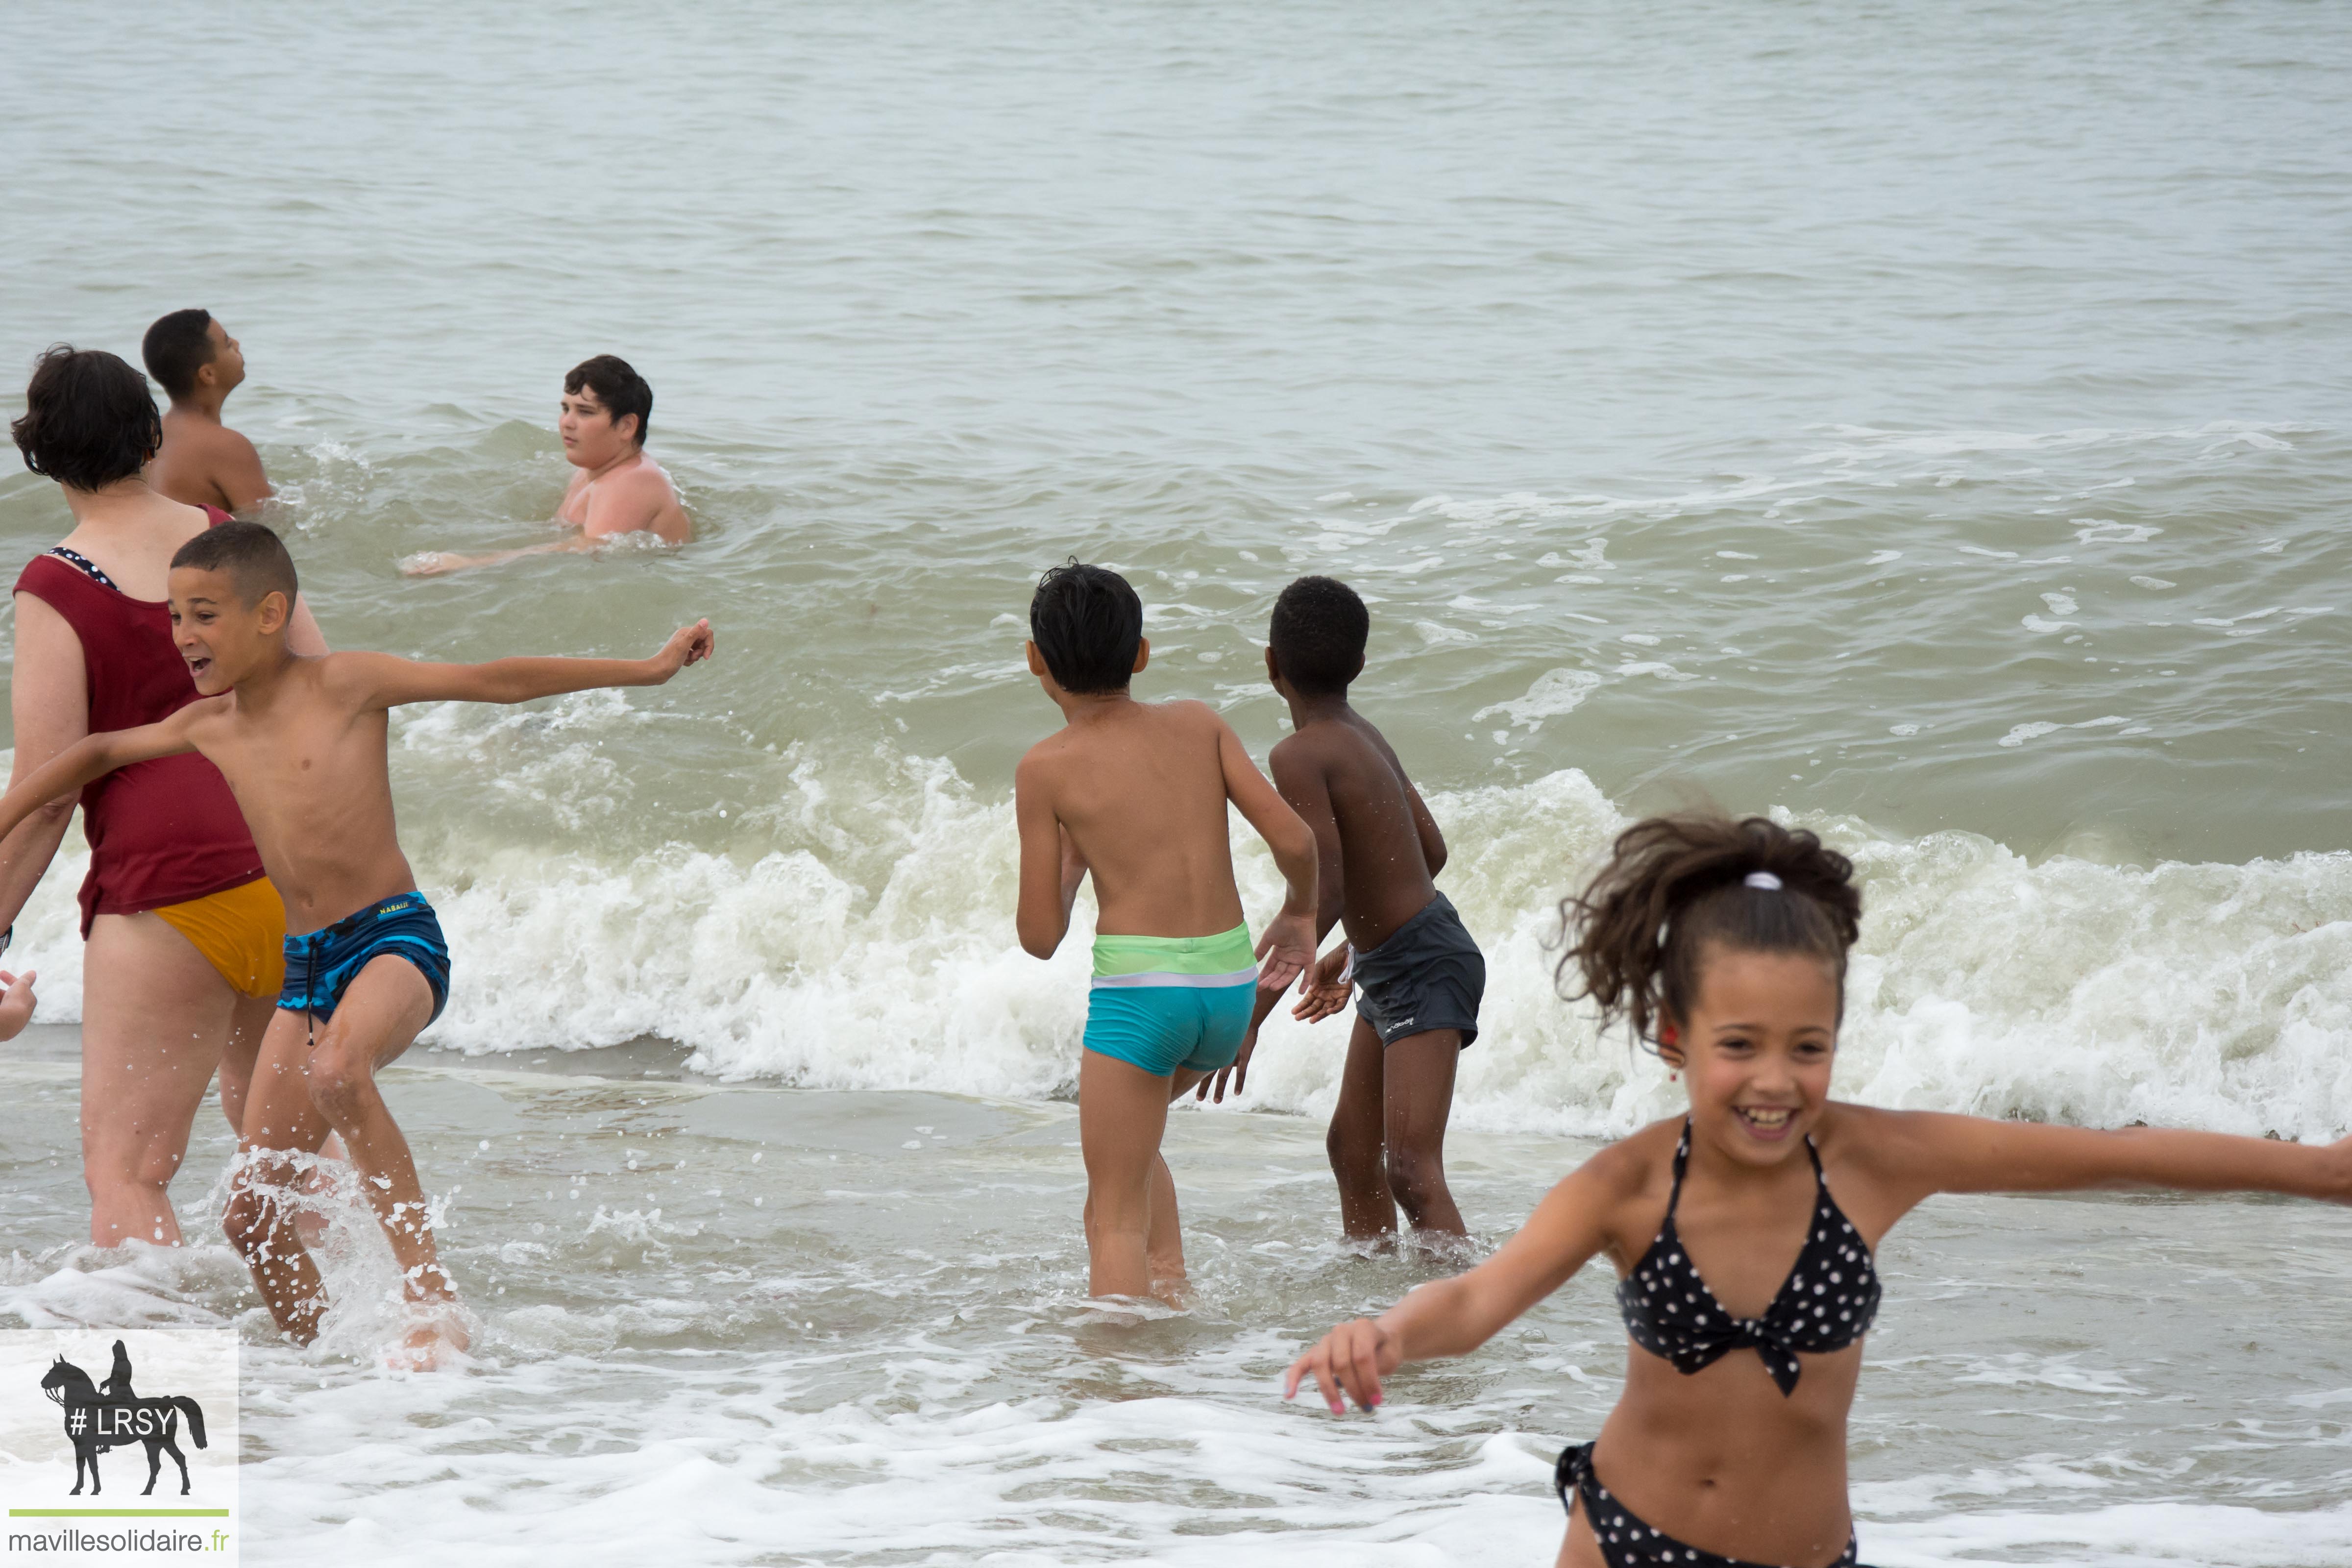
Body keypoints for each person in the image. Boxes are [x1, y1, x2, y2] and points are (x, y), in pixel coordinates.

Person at [1284, 812, 2352, 1568]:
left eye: (1810, 1046)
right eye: (1738, 1045)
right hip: (1623, 1541)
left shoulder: (1878, 1158)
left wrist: (2320, 1169)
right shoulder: (1627, 1182)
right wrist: (1385, 1335)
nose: (1776, 1079)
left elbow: (2113, 1154)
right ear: (1673, 1038)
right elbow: (1479, 1298)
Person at [0, 521, 714, 1363]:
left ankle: (430, 1302)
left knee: (340, 1069)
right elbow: (95, 751)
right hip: (307, 971)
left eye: (203, 615)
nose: (184, 635)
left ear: (271, 614)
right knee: (252, 1215)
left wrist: (651, 667)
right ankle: (325, 1373)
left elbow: (498, 679)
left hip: (392, 941)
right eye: (175, 618)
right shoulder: (209, 726)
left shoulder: (348, 684)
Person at [3, 345, 328, 1249]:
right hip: (289, 875)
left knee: (131, 1171)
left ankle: (160, 1389)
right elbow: (322, 692)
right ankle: (362, 1366)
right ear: (151, 434)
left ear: (41, 453)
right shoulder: (230, 541)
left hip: (169, 894)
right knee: (293, 1158)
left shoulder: (58, 584)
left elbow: (47, 791)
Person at [1014, 561, 1318, 1305]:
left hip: (1143, 996)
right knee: (1135, 1152)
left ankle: (1120, 1384)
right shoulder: (1198, 723)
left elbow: (1039, 935)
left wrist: (1077, 861)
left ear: (1036, 662)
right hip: (1226, 990)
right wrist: (1301, 913)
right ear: (1141, 653)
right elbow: (1298, 841)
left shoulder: (1045, 769)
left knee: (1110, 1218)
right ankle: (1171, 1294)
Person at [1198, 576, 1483, 1245]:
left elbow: (1319, 887)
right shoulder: (1360, 733)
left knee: (1411, 1170)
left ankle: (1466, 1309)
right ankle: (1375, 1297)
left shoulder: (1298, 754)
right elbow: (1429, 852)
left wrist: (1251, 1014)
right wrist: (1356, 952)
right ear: (1359, 664)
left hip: (1423, 965)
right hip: (1409, 956)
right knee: (1352, 1153)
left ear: (1271, 664)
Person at [402, 355, 690, 575]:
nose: (567, 422)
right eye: (566, 409)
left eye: (585, 412)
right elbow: (562, 537)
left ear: (627, 426)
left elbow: (587, 552)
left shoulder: (632, 481)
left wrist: (470, 564)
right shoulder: (593, 472)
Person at [141, 310, 271, 514]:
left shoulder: (146, 434)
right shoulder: (227, 446)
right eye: (228, 343)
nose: (237, 344)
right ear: (208, 375)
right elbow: (269, 526)